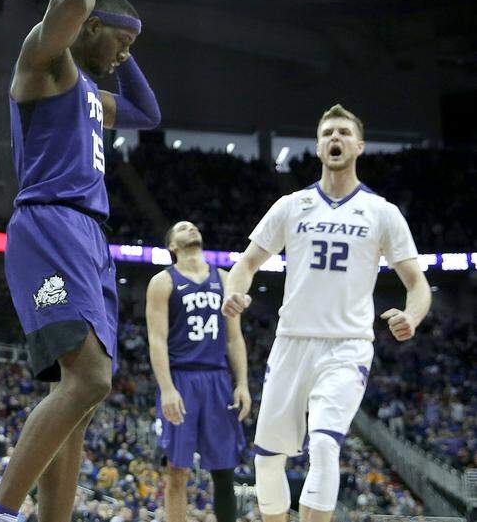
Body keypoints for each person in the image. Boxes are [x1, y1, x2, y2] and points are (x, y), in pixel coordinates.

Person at [0, 0, 160, 522]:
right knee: (89, 377)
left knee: (82, 400)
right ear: (89, 27)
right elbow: (64, 3)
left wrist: (122, 44)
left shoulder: (92, 95)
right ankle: (1, 513)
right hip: (50, 225)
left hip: (90, 236)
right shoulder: (48, 68)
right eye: (119, 41)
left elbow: (149, 114)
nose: (123, 54)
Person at [223, 105, 431, 522]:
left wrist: (413, 316)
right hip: (291, 342)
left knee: (324, 444)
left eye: (342, 132)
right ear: (319, 146)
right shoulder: (291, 205)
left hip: (347, 347)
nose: (334, 138)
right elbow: (244, 265)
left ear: (359, 146)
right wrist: (233, 294)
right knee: (266, 460)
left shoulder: (382, 212)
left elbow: (418, 284)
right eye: (327, 133)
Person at [145, 221, 248, 522]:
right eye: (181, 228)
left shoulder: (226, 279)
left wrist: (241, 383)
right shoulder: (162, 282)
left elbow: (234, 338)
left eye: (192, 226)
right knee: (177, 470)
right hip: (181, 379)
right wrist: (166, 388)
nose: (190, 228)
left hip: (218, 379)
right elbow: (157, 340)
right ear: (172, 246)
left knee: (224, 470)